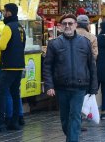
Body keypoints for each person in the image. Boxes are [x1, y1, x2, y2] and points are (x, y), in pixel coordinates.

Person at [43, 14, 98, 142]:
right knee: (65, 118)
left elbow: (91, 65)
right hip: (61, 87)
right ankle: (71, 136)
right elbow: (47, 66)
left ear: (75, 25)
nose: (67, 26)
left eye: (70, 23)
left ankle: (72, 140)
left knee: (75, 115)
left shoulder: (85, 42)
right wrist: (49, 86)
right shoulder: (54, 44)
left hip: (80, 86)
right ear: (60, 26)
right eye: (64, 24)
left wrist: (93, 87)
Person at [0, 3, 26, 132]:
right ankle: (14, 122)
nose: (3, 13)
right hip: (19, 65)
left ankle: (0, 122)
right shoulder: (21, 27)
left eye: (5, 11)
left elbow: (2, 46)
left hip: (8, 66)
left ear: (9, 13)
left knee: (0, 92)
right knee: (15, 93)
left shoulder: (8, 27)